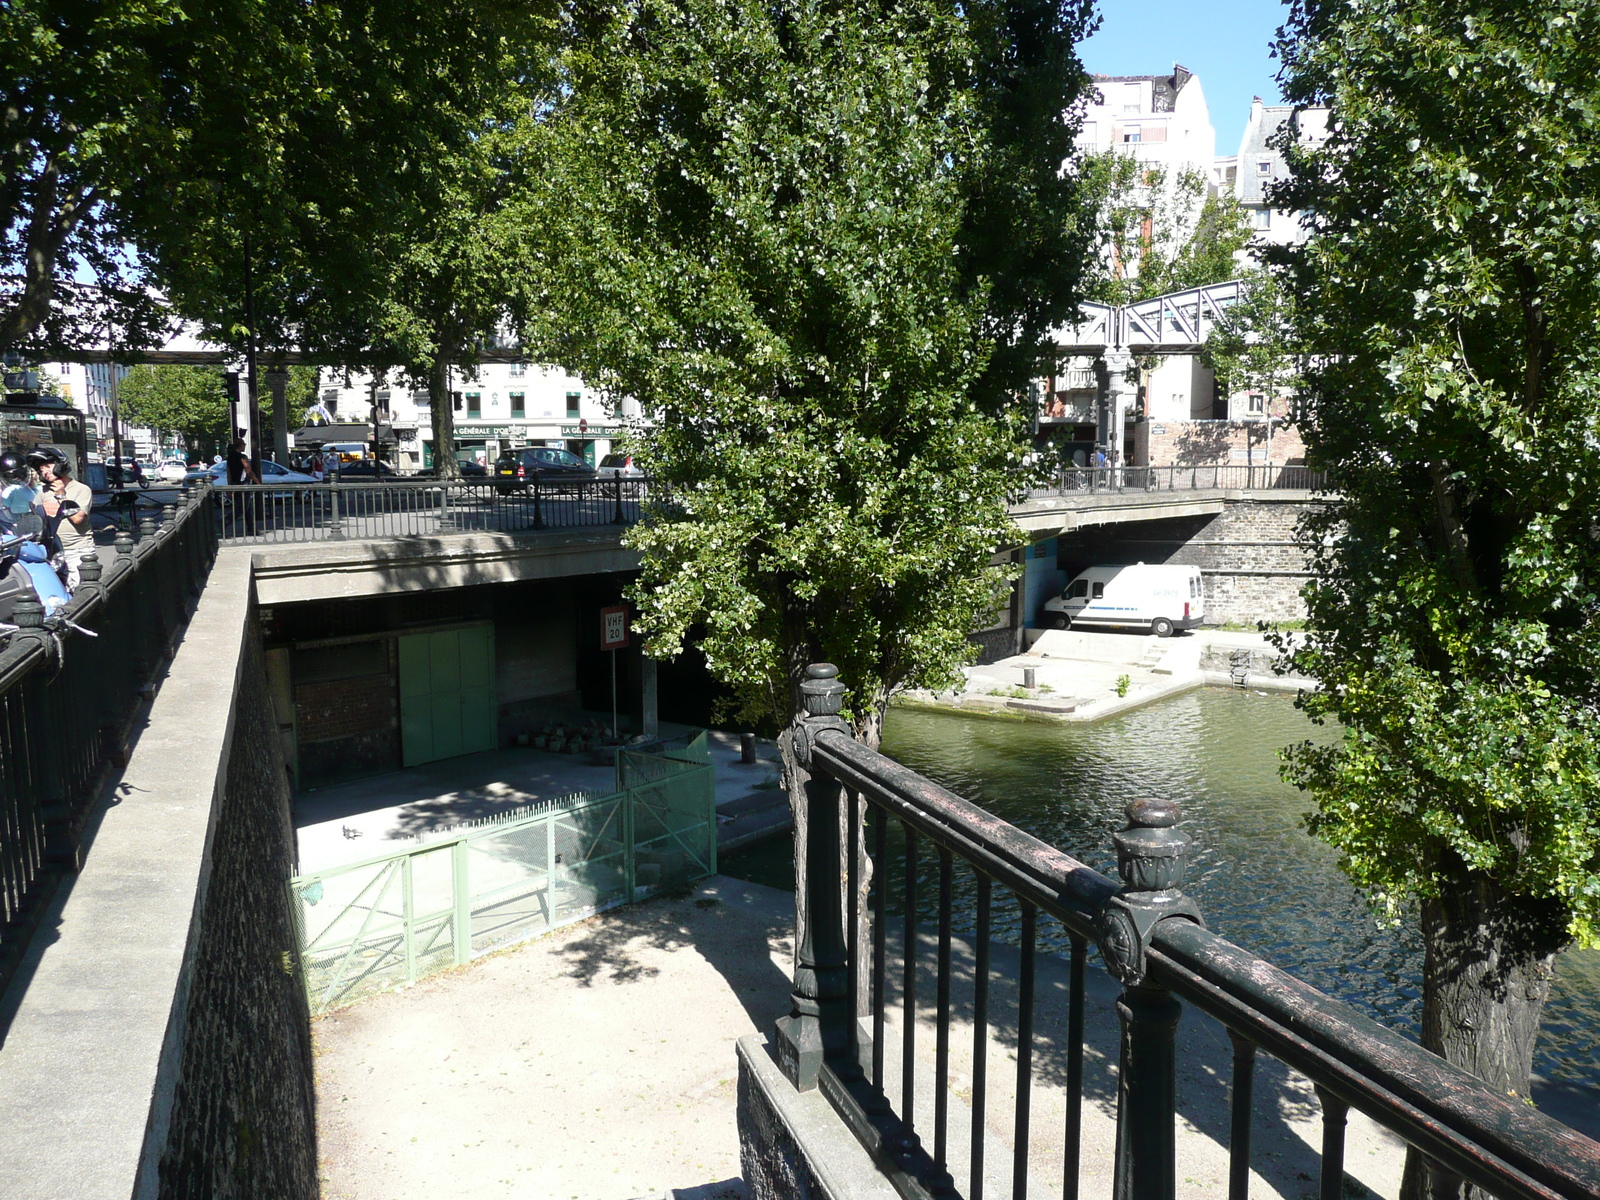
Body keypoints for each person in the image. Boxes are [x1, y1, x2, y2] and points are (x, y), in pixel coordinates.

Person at [29, 448, 93, 589]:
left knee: (80, 592)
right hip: (52, 551)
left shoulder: (81, 489)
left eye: (47, 466)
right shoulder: (42, 491)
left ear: (60, 465)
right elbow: (35, 517)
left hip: (77, 550)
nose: (44, 471)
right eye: (41, 469)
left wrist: (61, 495)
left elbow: (77, 518)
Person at [224, 439, 260, 535]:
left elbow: (229, 473)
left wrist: (229, 487)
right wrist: (257, 482)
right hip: (244, 484)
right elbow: (248, 471)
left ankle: (252, 529)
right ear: (239, 445)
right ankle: (225, 521)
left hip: (235, 484)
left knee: (247, 508)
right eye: (244, 444)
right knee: (242, 508)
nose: (244, 446)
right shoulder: (242, 457)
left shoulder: (230, 458)